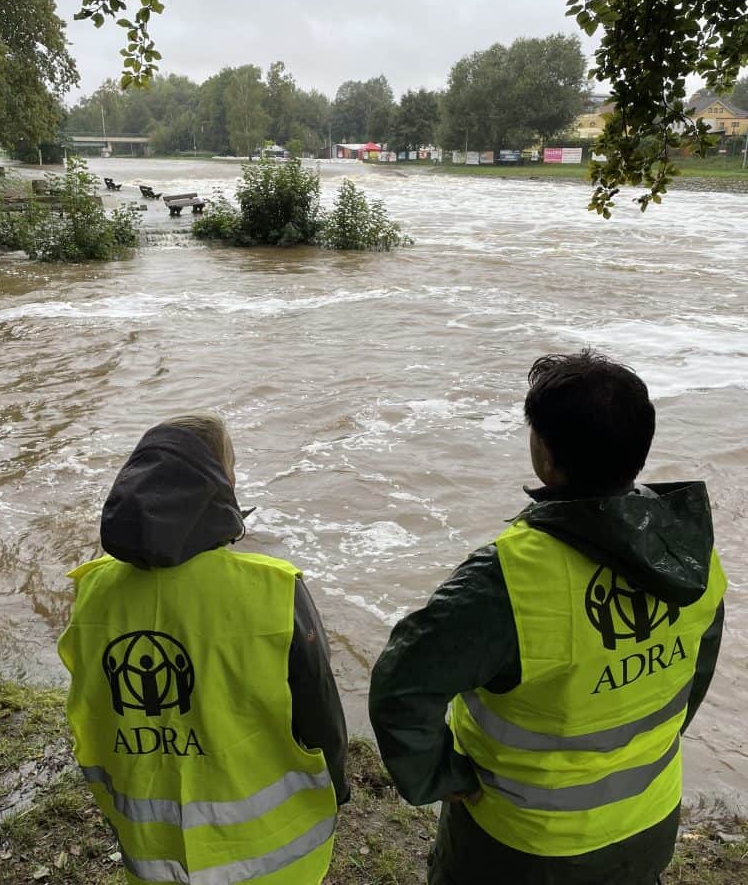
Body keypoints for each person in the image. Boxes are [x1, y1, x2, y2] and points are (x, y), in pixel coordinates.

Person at [369, 350, 726, 885]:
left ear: (545, 456)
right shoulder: (690, 553)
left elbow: (402, 691)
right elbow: (693, 680)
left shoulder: (505, 581)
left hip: (522, 843)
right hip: (648, 820)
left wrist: (443, 777)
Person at [58, 414, 348, 885]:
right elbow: (319, 713)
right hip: (272, 858)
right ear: (223, 485)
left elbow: (92, 707)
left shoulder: (91, 592)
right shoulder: (274, 590)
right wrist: (338, 789)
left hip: (151, 851)